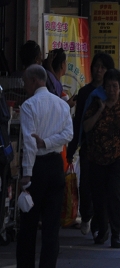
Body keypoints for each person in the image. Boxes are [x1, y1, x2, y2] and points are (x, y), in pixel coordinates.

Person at [17, 64, 73, 268]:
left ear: (34, 81)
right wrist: (49, 142)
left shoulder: (29, 106)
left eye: (25, 82)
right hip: (56, 165)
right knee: (51, 225)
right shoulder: (62, 105)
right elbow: (69, 134)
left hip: (37, 166)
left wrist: (27, 173)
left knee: (29, 225)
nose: (24, 86)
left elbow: (30, 142)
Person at [82, 69, 120, 248]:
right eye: (108, 86)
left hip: (118, 156)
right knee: (98, 196)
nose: (111, 90)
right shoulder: (96, 102)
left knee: (114, 195)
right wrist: (100, 109)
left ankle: (116, 233)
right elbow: (86, 127)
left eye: (115, 86)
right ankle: (102, 230)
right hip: (97, 156)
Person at [69, 51, 115, 237]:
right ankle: (87, 215)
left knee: (103, 189)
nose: (99, 70)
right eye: (96, 66)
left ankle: (100, 225)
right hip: (89, 146)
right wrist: (72, 147)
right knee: (86, 186)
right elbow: (79, 120)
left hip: (109, 149)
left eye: (103, 67)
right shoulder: (85, 92)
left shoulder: (112, 92)